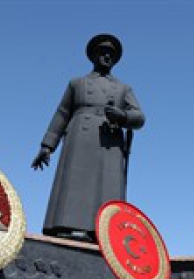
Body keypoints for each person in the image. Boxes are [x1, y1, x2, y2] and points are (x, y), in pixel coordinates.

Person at [32, 33, 146, 242]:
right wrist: (47, 146)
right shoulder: (77, 84)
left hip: (109, 143)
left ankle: (102, 232)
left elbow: (139, 117)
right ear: (93, 56)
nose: (106, 56)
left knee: (107, 185)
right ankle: (67, 225)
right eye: (102, 52)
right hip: (79, 138)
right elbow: (62, 113)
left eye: (111, 54)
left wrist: (123, 116)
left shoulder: (123, 88)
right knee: (75, 183)